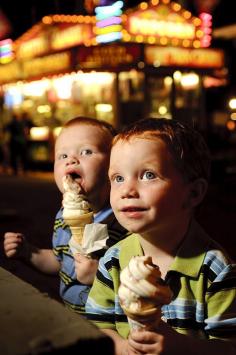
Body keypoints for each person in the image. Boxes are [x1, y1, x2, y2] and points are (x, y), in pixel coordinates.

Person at [86, 118, 236, 354]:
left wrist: (183, 347)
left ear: (193, 193)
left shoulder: (216, 270)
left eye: (148, 175)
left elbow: (229, 347)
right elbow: (96, 326)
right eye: (118, 178)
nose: (127, 191)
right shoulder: (112, 261)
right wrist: (122, 347)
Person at [3, 116, 128, 313]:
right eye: (62, 156)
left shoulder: (124, 221)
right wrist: (29, 252)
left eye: (86, 151)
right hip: (73, 315)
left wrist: (100, 275)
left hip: (111, 323)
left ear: (113, 167)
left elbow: (142, 281)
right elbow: (61, 263)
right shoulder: (63, 217)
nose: (71, 159)